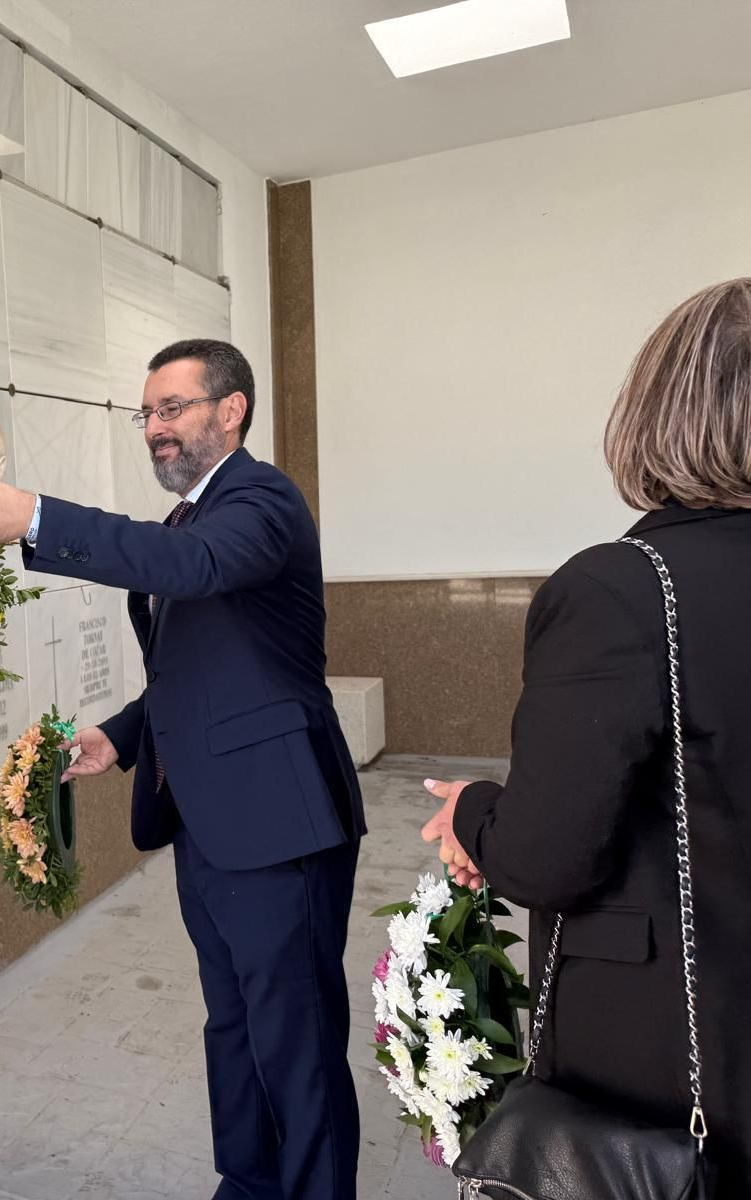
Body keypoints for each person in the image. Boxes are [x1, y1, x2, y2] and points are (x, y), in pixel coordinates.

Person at [0, 339, 365, 1200]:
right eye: (147, 413)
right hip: (208, 820)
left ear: (230, 411)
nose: (154, 429)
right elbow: (192, 668)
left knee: (296, 1042)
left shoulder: (261, 500)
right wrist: (121, 736)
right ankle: (251, 1182)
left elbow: (193, 574)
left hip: (279, 822)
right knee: (233, 1026)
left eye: (172, 409)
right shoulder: (185, 521)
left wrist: (35, 517)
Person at [421, 278, 751, 1192]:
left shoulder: (624, 588)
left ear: (656, 410)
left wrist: (472, 812)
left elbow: (545, 855)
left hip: (678, 1056)